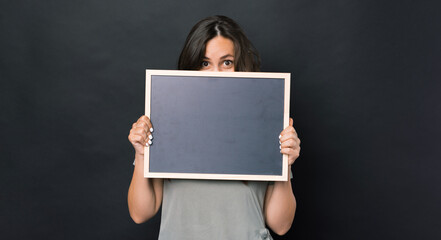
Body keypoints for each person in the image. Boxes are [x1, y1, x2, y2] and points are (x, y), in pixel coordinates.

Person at [127, 15, 301, 240]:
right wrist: (141, 154)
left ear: (240, 66)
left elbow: (281, 225)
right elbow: (140, 213)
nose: (215, 74)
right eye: (204, 63)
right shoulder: (166, 118)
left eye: (227, 62)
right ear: (192, 66)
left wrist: (285, 165)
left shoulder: (266, 121)